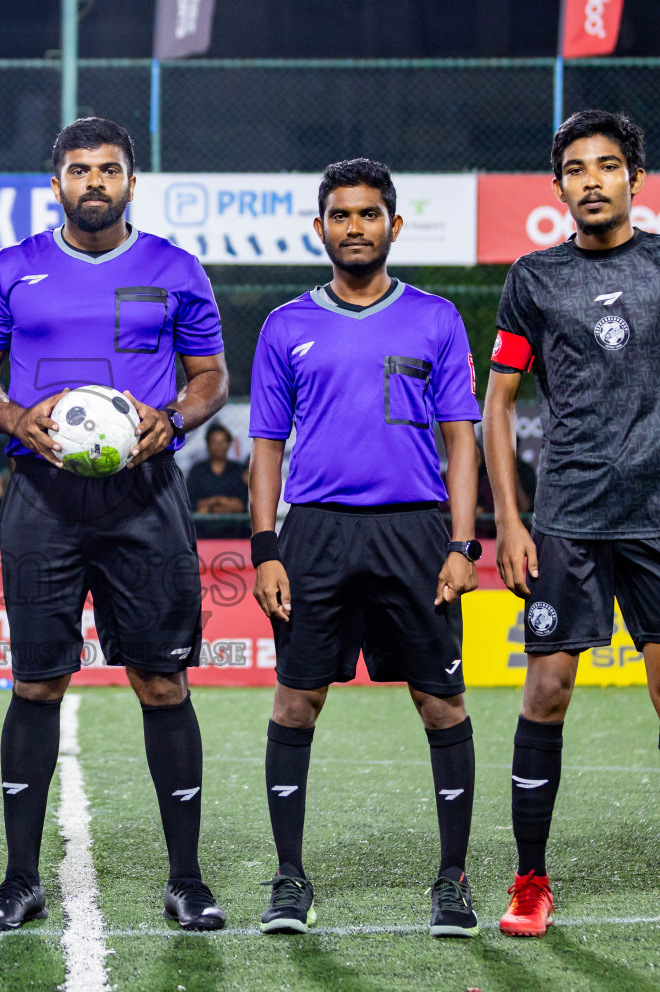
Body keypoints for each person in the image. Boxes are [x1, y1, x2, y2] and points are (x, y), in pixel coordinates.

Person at [483, 110, 660, 943]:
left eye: (607, 165)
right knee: (547, 692)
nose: (591, 179)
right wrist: (511, 519)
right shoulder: (534, 277)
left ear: (636, 177)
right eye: (575, 168)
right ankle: (530, 881)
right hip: (564, 520)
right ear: (558, 186)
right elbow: (499, 403)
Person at [0, 117, 230, 931]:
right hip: (42, 497)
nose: (94, 182)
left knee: (161, 681)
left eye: (109, 169)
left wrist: (175, 421)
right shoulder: (11, 271)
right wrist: (13, 418)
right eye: (79, 170)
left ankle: (187, 879)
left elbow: (211, 377)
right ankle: (18, 879)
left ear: (132, 181)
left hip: (145, 497)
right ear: (56, 184)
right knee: (38, 683)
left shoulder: (177, 270)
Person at [249, 159, 483, 936]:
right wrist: (265, 548)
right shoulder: (286, 325)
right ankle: (289, 878)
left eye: (369, 215)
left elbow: (462, 439)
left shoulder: (437, 318)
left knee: (439, 700)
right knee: (296, 700)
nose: (355, 227)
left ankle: (451, 880)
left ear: (393, 226)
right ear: (320, 229)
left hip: (416, 533)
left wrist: (462, 542)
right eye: (341, 216)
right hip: (314, 532)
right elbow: (266, 448)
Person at [186, 422, 249, 514]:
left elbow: (243, 503)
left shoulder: (238, 470)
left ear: (229, 443)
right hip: (203, 526)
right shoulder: (197, 470)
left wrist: (213, 506)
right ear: (208, 444)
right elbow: (190, 502)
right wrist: (216, 501)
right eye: (214, 442)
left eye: (222, 442)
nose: (219, 446)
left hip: (235, 526)